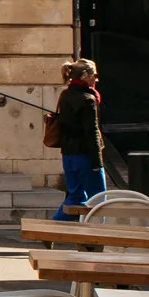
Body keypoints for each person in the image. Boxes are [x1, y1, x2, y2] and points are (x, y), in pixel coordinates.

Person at [51, 56, 107, 218]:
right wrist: (97, 162)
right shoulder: (87, 100)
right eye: (94, 76)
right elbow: (92, 131)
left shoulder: (66, 95)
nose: (96, 79)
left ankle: (54, 228)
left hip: (68, 154)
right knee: (99, 200)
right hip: (85, 155)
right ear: (84, 76)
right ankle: (95, 239)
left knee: (75, 197)